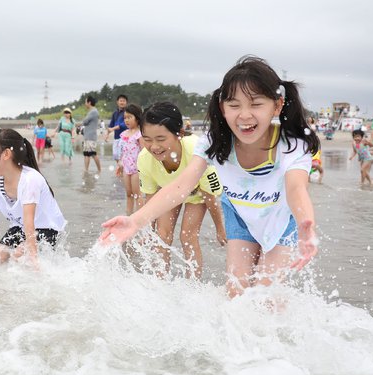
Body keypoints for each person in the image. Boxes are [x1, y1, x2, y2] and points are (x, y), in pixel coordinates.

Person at [101, 56, 319, 298]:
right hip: (240, 217)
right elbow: (182, 184)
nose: (244, 115)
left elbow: (296, 188)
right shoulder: (216, 143)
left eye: (256, 104)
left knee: (269, 299)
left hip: (280, 222)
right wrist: (135, 221)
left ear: (277, 106)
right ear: (222, 107)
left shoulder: (292, 145)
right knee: (236, 295)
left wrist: (304, 223)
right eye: (234, 105)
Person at [135, 101, 226, 279]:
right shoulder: (144, 159)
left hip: (198, 193)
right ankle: (160, 280)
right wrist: (144, 229)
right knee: (161, 235)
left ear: (180, 134)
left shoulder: (197, 151)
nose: (154, 146)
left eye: (161, 139)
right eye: (147, 139)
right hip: (169, 192)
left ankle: (193, 283)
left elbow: (210, 195)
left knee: (187, 236)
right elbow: (150, 197)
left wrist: (219, 228)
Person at [0, 129, 66, 266]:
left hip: (48, 228)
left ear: (6, 154)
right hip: (20, 227)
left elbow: (29, 219)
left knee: (20, 254)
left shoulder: (30, 179)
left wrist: (33, 258)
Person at [117, 103, 144, 215]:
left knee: (137, 194)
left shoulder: (139, 134)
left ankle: (139, 219)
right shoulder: (124, 134)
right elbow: (123, 151)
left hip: (136, 168)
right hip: (126, 167)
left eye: (129, 117)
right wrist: (119, 163)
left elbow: (143, 152)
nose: (126, 120)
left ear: (137, 118)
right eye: (125, 118)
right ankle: (128, 217)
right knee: (129, 194)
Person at [105, 94, 128, 170]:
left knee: (122, 155)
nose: (122, 102)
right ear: (117, 102)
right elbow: (111, 125)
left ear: (126, 102)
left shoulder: (127, 112)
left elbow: (124, 124)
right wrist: (107, 135)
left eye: (124, 101)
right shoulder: (115, 113)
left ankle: (123, 170)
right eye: (120, 101)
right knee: (115, 155)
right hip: (116, 137)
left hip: (124, 137)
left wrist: (113, 128)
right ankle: (121, 168)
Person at [80, 96, 102, 173]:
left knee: (92, 153)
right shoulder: (92, 111)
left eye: (86, 102)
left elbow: (85, 121)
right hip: (88, 136)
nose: (85, 104)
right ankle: (86, 170)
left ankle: (99, 170)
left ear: (89, 102)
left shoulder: (93, 111)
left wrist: (82, 121)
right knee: (86, 153)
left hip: (90, 136)